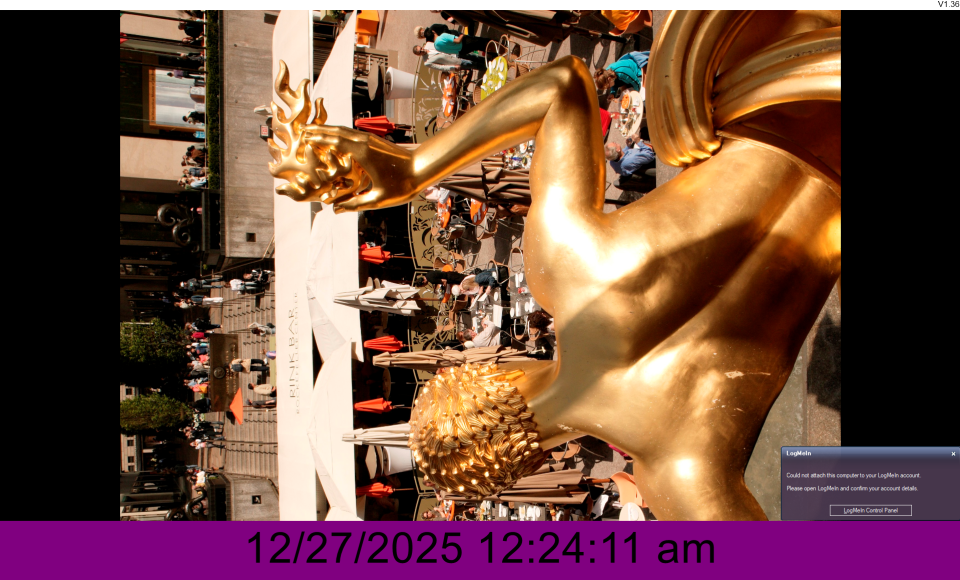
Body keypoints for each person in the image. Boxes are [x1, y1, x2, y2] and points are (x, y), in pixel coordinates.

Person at [412, 45, 485, 73]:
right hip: (454, 61)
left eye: (421, 48)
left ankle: (488, 61)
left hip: (455, 52)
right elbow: (440, 67)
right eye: (420, 52)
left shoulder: (428, 44)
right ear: (418, 55)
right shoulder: (427, 62)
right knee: (473, 64)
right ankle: (487, 68)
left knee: (474, 57)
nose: (422, 50)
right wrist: (453, 68)